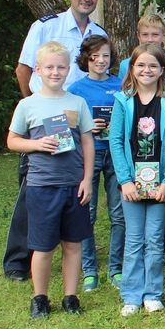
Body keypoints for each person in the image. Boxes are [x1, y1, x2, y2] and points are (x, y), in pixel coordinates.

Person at [4, 0, 106, 281]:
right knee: (33, 190)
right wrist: (35, 108)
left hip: (76, 116)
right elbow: (23, 69)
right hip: (46, 118)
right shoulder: (46, 26)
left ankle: (67, 258)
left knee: (70, 189)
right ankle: (18, 260)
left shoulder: (99, 33)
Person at [6, 41, 94, 318]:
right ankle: (40, 298)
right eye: (49, 67)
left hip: (73, 185)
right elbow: (12, 141)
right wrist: (36, 144)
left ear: (68, 70)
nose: (55, 72)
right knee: (42, 246)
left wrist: (87, 180)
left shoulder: (77, 103)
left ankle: (71, 296)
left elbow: (88, 142)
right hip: (41, 187)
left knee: (73, 243)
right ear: (38, 70)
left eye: (61, 67)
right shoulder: (27, 105)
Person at [111, 44, 165, 316]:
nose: (146, 70)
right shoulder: (122, 100)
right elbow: (116, 142)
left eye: (153, 65)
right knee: (134, 239)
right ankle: (131, 294)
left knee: (154, 239)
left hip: (160, 183)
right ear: (132, 68)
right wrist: (125, 180)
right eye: (141, 65)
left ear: (162, 70)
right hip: (132, 182)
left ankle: (152, 293)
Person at [67, 35, 124, 291]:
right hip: (89, 155)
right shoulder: (76, 90)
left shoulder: (121, 85)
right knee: (86, 214)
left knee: (118, 214)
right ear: (85, 59)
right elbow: (68, 128)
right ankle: (90, 270)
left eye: (106, 56)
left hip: (117, 154)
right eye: (95, 56)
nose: (101, 60)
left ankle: (116, 268)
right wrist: (88, 127)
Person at [118, 13, 165, 80]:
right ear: (138, 36)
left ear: (164, 35)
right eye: (145, 35)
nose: (150, 40)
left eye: (155, 35)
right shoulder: (126, 65)